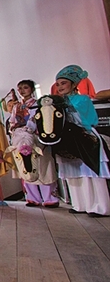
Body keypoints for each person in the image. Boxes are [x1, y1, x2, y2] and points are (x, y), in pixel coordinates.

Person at [53, 65, 109, 217]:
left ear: (73, 84)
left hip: (85, 136)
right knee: (74, 172)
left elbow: (89, 119)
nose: (60, 87)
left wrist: (67, 109)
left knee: (90, 172)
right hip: (68, 139)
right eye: (58, 84)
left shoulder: (83, 99)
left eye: (63, 83)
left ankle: (100, 207)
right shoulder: (58, 102)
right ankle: (79, 204)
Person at [6, 79, 59, 208]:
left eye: (25, 87)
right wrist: (15, 129)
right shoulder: (16, 106)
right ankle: (32, 197)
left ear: (32, 89)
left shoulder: (38, 104)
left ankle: (50, 197)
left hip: (36, 138)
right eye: (20, 88)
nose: (22, 91)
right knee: (25, 165)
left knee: (43, 166)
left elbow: (41, 120)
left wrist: (30, 128)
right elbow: (12, 121)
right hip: (20, 137)